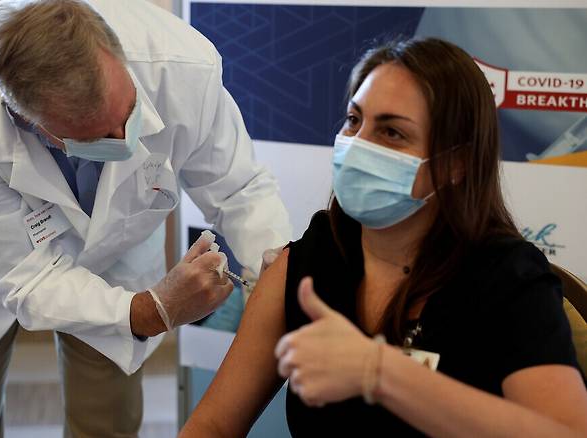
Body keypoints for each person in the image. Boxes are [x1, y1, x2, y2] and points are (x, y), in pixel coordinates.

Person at [180, 38, 587, 437]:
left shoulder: (507, 278)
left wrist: (379, 372)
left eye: (391, 132)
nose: (357, 146)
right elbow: (213, 425)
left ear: (455, 164)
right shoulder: (314, 257)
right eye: (355, 121)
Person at [0, 0, 291, 436]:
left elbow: (238, 189)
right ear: (26, 120)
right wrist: (148, 311)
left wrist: (280, 274)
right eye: (95, 136)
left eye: (128, 112)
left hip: (120, 241)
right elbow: (23, 275)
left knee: (108, 419)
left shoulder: (181, 65)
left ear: (115, 51)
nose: (125, 139)